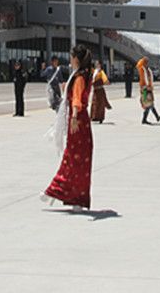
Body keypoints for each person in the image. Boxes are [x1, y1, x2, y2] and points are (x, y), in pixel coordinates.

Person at [42, 45, 94, 210]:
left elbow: (77, 99)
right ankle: (73, 197)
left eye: (71, 57)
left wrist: (74, 117)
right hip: (83, 122)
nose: (70, 60)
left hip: (77, 122)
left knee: (72, 159)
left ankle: (59, 191)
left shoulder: (79, 77)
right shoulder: (85, 74)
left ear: (76, 59)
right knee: (78, 161)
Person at [137, 56, 160, 124]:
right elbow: (143, 79)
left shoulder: (148, 70)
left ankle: (155, 117)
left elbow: (149, 79)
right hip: (144, 89)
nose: (147, 63)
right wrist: (146, 86)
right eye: (146, 62)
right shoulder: (142, 69)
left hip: (149, 88)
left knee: (150, 103)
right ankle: (153, 117)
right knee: (147, 103)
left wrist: (150, 86)